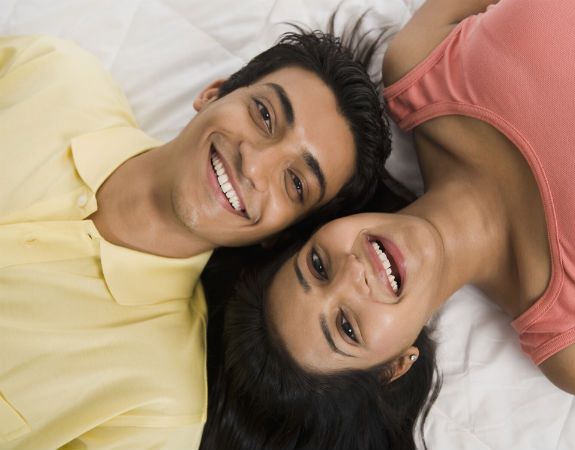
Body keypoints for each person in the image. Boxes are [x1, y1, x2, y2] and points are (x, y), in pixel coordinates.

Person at [200, 0, 575, 448]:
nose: (353, 274)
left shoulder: (418, 66)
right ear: (395, 368)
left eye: (318, 266)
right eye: (347, 327)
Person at [0, 19, 391, 449]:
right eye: (264, 116)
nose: (254, 165)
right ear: (212, 93)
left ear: (278, 236)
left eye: (295, 183)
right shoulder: (52, 73)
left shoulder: (158, 408)